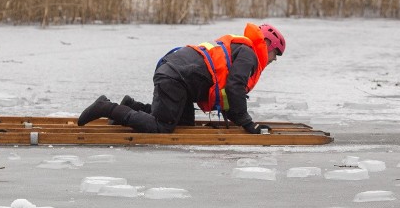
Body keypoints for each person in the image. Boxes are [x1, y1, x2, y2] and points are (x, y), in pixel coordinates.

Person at [77, 23, 286, 134]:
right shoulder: (249, 54)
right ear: (267, 43)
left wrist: (243, 122)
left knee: (184, 122)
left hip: (178, 76)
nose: (272, 60)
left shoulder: (242, 48)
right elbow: (235, 88)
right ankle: (106, 107)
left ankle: (130, 106)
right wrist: (248, 124)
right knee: (163, 126)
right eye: (274, 54)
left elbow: (229, 95)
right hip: (176, 78)